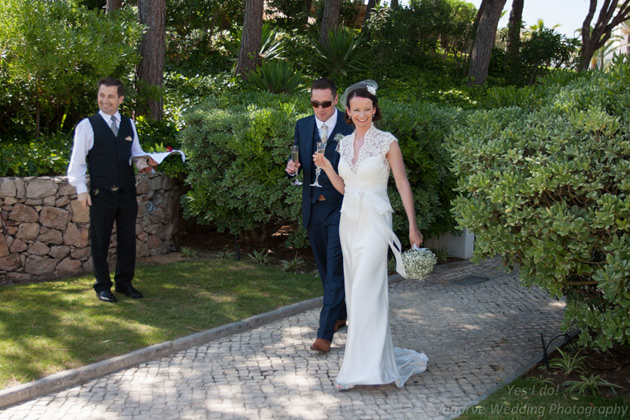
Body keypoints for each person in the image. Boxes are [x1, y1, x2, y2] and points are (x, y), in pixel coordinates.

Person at [314, 80, 428, 390]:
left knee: (366, 291)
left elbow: (402, 183)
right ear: (347, 112)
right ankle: (368, 361)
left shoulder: (387, 142)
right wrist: (326, 167)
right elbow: (344, 188)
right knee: (356, 295)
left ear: (374, 110)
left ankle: (356, 371)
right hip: (349, 222)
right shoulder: (343, 144)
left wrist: (412, 225)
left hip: (376, 222)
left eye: (367, 109)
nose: (362, 114)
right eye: (356, 110)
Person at [67, 78, 157, 303]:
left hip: (127, 192)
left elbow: (135, 155)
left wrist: (146, 164)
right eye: (101, 95)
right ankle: (103, 287)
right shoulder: (87, 125)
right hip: (101, 193)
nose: (104, 100)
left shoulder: (129, 124)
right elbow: (77, 163)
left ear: (120, 99)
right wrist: (81, 189)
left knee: (128, 239)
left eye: (109, 96)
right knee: (100, 241)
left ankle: (125, 283)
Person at [285, 78, 354, 352]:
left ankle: (324, 335)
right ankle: (340, 314)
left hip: (341, 205)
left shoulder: (349, 126)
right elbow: (296, 160)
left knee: (335, 268)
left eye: (326, 103)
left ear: (336, 100)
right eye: (315, 103)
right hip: (313, 206)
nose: (320, 109)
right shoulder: (302, 125)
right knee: (326, 268)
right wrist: (291, 168)